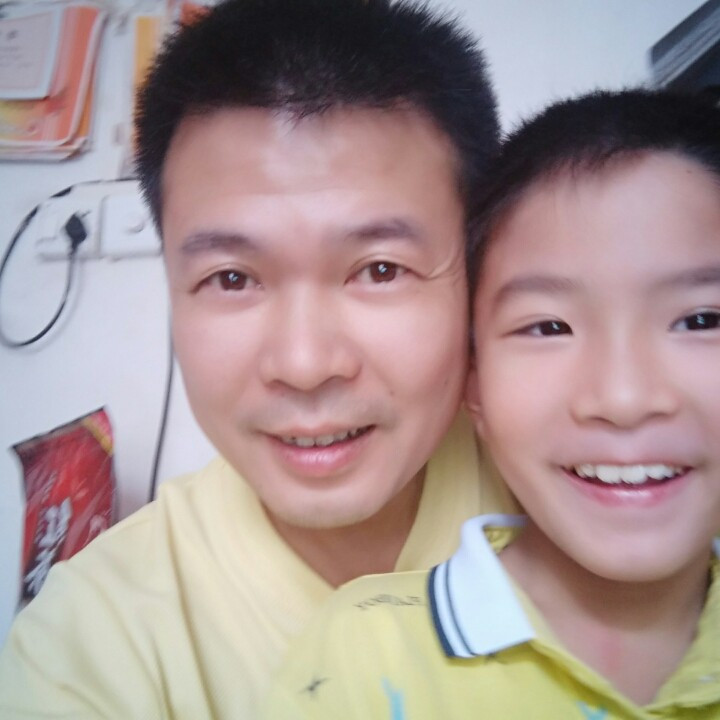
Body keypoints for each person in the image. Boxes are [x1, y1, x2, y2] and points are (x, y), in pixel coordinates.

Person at [0, 0, 515, 717]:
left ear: (479, 269)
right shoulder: (86, 648)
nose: (304, 365)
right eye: (232, 279)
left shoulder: (591, 505)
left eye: (380, 269)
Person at [263, 88, 720, 719]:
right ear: (472, 384)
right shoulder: (366, 653)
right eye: (548, 327)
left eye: (700, 320)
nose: (623, 399)